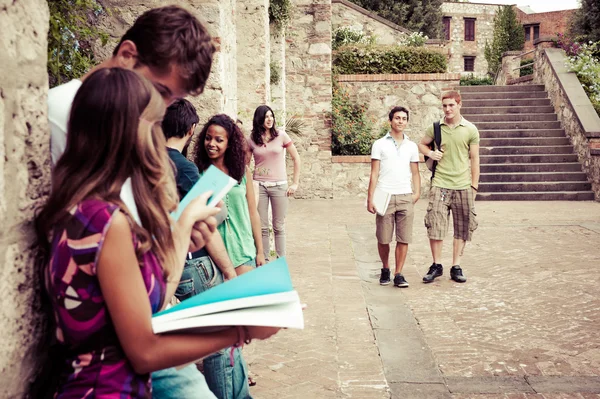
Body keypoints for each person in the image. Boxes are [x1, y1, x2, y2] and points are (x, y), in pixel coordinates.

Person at [32, 68, 279, 399]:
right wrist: (242, 329)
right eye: (151, 126)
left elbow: (152, 301)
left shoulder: (81, 206)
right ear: (125, 132)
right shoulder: (108, 221)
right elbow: (144, 350)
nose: (158, 140)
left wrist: (180, 231)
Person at [45, 6, 225, 396]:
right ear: (127, 55)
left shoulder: (138, 124)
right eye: (160, 92)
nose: (161, 111)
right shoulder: (69, 113)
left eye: (171, 100)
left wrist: (180, 231)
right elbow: (106, 238)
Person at [159, 99, 252, 399]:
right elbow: (206, 228)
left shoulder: (145, 162)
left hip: (165, 265)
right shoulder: (184, 168)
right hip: (194, 266)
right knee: (220, 344)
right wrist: (228, 271)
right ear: (191, 129)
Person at [417, 90, 480, 284]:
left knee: (462, 227)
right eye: (444, 105)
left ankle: (456, 266)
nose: (448, 109)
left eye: (451, 105)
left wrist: (474, 187)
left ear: (459, 104)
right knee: (435, 224)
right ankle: (437, 265)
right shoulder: (436, 127)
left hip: (462, 186)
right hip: (440, 185)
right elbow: (421, 144)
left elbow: (475, 158)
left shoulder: (470, 129)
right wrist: (430, 152)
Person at [194, 114, 265, 275]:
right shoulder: (198, 174)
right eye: (208, 138)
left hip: (243, 249)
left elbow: (252, 212)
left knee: (245, 298)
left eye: (219, 140)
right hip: (212, 255)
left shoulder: (242, 172)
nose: (211, 144)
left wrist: (260, 250)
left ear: (229, 144)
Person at [367, 106, 421, 287]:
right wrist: (370, 198)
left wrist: (417, 192)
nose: (401, 121)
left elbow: (415, 172)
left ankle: (399, 273)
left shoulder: (412, 146)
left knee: (403, 237)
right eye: (397, 118)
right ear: (390, 120)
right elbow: (374, 173)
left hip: (405, 196)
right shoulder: (379, 144)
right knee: (383, 238)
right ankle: (385, 268)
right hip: (385, 196)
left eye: (404, 118)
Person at [247, 105, 301, 260]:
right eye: (266, 117)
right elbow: (245, 164)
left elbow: (296, 158)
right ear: (259, 119)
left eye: (271, 116)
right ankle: (263, 259)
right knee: (262, 227)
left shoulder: (281, 136)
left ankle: (280, 260)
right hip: (259, 186)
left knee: (279, 226)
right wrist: (248, 185)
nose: (269, 119)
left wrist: (295, 183)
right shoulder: (252, 139)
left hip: (279, 186)